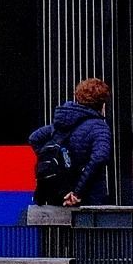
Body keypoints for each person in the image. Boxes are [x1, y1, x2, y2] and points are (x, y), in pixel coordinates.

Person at [30, 77, 113, 207]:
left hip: (60, 195)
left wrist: (59, 163)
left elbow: (35, 138)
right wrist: (77, 192)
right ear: (102, 104)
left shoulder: (63, 123)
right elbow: (99, 157)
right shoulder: (99, 127)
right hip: (89, 197)